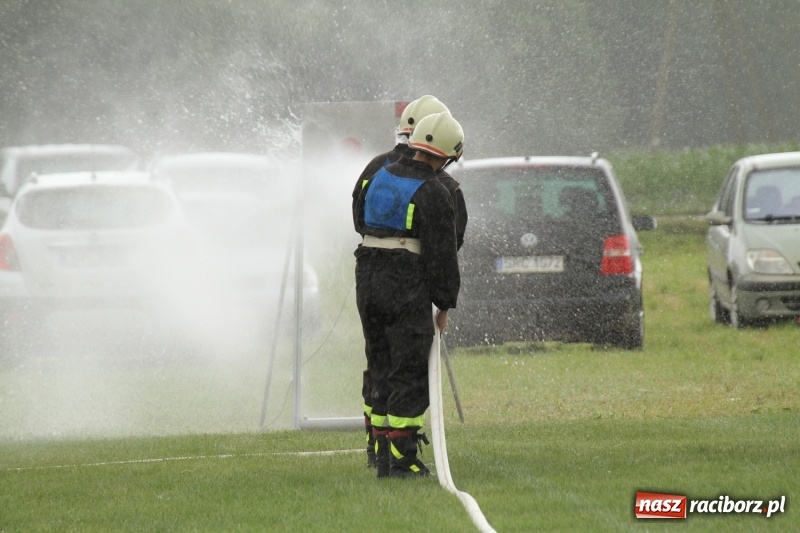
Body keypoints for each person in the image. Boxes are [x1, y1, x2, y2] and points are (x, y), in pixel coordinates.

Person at [352, 95, 468, 469]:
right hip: (405, 286)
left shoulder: (378, 173)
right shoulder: (436, 190)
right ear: (445, 155)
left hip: (367, 277)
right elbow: (443, 253)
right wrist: (444, 302)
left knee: (379, 361)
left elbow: (360, 219)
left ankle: (378, 448)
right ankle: (403, 457)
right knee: (409, 368)